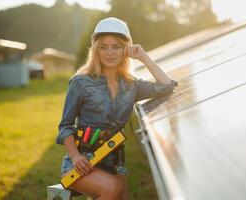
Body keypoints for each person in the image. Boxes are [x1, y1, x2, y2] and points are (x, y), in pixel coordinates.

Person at [56, 17, 178, 200]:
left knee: (121, 194)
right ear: (96, 50)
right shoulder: (80, 82)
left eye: (116, 46)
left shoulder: (131, 85)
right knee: (112, 188)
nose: (109, 53)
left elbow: (166, 85)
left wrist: (143, 57)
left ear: (125, 50)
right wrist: (75, 157)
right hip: (82, 163)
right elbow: (65, 126)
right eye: (104, 47)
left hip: (115, 162)